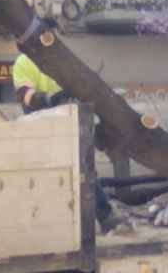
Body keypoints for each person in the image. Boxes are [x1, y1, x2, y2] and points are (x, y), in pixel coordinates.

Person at [12, 52, 130, 234]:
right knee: (43, 177)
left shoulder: (63, 59)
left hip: (67, 122)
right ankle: (39, 222)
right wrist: (48, 99)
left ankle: (104, 215)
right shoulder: (25, 61)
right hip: (39, 126)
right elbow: (24, 94)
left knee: (86, 169)